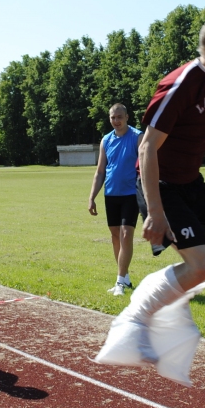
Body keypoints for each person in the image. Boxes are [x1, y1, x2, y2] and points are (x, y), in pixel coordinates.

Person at [95, 10, 205, 386]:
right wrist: (154, 212)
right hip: (160, 184)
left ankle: (171, 294)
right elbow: (146, 149)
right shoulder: (183, 83)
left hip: (191, 180)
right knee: (201, 260)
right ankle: (138, 318)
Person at [88, 103, 142, 296]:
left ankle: (119, 281)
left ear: (127, 117)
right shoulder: (106, 140)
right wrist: (92, 196)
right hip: (111, 194)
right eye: (113, 118)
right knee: (115, 236)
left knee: (126, 234)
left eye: (120, 117)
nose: (116, 121)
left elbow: (145, 166)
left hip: (131, 194)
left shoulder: (137, 137)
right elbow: (100, 171)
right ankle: (125, 278)